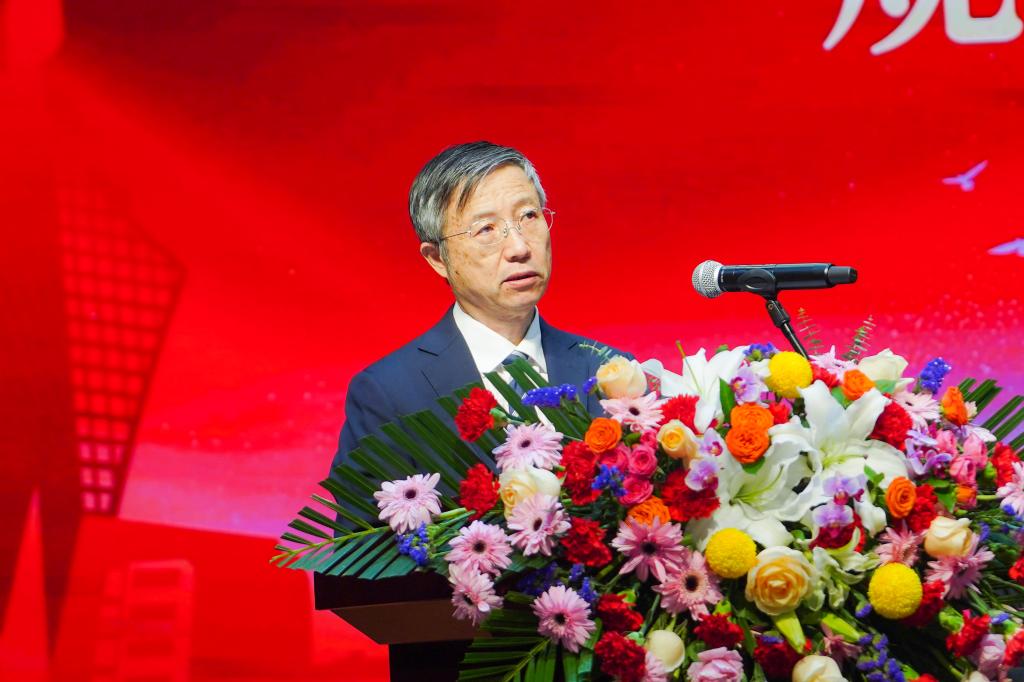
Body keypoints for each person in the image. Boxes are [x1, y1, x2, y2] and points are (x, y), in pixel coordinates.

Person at [322, 141, 631, 681]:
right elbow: (359, 558)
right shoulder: (388, 393)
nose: (519, 246)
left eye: (529, 217)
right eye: (486, 229)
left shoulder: (609, 371)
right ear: (435, 257)